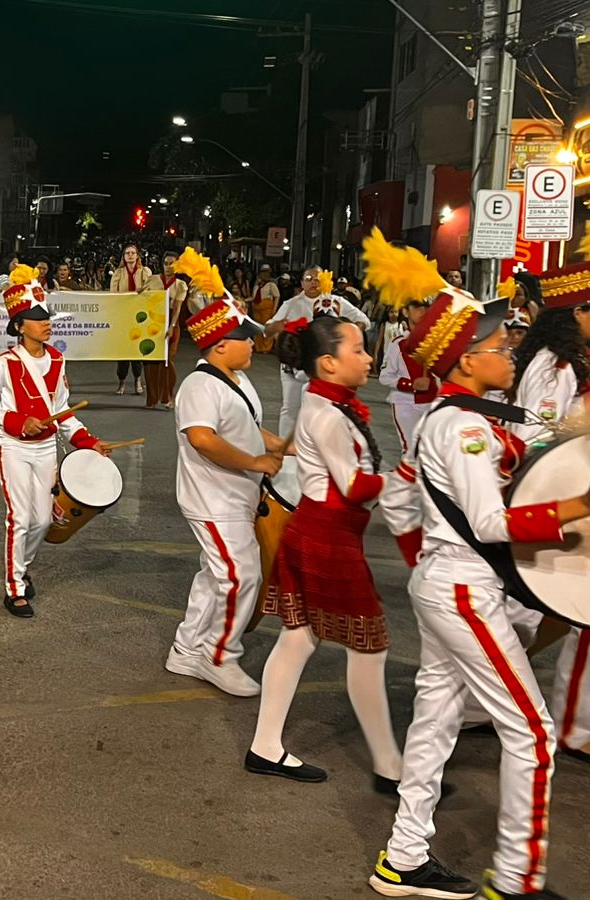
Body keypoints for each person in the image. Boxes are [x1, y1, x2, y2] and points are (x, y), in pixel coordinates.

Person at [365, 252, 590, 900]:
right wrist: (585, 504)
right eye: (493, 343)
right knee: (535, 735)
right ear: (463, 363)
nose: (508, 345)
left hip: (444, 582)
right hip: (462, 588)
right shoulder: (464, 430)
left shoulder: (458, 419)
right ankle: (516, 880)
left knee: (434, 720)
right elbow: (489, 520)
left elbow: (403, 502)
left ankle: (402, 860)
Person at [248, 316, 402, 791]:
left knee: (298, 640)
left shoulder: (325, 401)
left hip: (319, 531)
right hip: (328, 537)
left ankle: (265, 746)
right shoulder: (328, 412)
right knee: (368, 648)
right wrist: (408, 479)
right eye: (358, 349)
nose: (370, 357)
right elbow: (353, 485)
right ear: (329, 363)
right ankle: (389, 768)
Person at [510, 212, 590, 770]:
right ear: (576, 312)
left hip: (564, 502)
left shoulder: (572, 363)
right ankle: (558, 724)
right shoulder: (555, 366)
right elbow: (527, 437)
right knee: (525, 617)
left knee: (560, 617)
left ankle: (558, 720)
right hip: (548, 504)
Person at [0, 264, 112, 617]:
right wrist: (19, 421)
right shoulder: (5, 363)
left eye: (46, 315)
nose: (46, 322)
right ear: (19, 327)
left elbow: (62, 410)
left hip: (46, 450)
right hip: (15, 449)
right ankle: (15, 586)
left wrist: (88, 441)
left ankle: (23, 564)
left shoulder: (57, 359)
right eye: (37, 318)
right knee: (20, 518)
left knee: (42, 521)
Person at [167, 295, 285, 695]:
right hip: (213, 499)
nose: (253, 344)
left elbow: (247, 426)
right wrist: (255, 462)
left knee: (215, 575)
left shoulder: (238, 380)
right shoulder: (199, 385)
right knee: (241, 575)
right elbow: (202, 438)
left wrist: (279, 445)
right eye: (245, 338)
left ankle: (185, 649)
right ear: (220, 344)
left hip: (234, 496)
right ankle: (219, 656)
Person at [264, 266, 371, 436]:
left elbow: (364, 321)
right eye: (309, 279)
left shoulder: (336, 302)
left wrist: (349, 334)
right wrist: (276, 327)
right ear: (301, 283)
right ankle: (286, 451)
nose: (314, 282)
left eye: (318, 279)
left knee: (322, 410)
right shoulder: (291, 304)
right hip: (294, 366)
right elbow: (267, 330)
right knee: (290, 409)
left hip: (324, 367)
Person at [378, 298, 437, 451]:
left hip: (436, 404)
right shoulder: (398, 344)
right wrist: (411, 384)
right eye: (417, 306)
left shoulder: (440, 341)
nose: (423, 310)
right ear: (405, 311)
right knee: (411, 452)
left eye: (426, 306)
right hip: (406, 404)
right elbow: (385, 377)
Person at [143, 250, 187, 408]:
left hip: (171, 324)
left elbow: (177, 309)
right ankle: (152, 399)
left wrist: (171, 327)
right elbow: (140, 297)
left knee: (168, 362)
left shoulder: (180, 285)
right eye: (166, 263)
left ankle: (168, 398)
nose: (169, 267)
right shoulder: (152, 280)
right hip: (152, 323)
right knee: (150, 362)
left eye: (172, 264)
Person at [110, 243, 149, 395]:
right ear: (124, 256)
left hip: (140, 317)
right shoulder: (118, 273)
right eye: (128, 253)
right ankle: (121, 382)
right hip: (123, 316)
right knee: (123, 352)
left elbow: (150, 291)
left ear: (137, 255)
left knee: (137, 352)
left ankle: (138, 379)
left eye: (133, 253)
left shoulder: (144, 272)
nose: (130, 255)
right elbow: (113, 294)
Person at [250, 264, 281, 354]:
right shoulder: (257, 285)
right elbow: (254, 297)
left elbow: (277, 296)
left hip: (267, 310)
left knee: (267, 329)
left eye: (266, 273)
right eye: (262, 273)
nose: (264, 275)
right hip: (257, 309)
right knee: (257, 329)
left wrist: (274, 309)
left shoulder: (271, 284)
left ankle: (266, 348)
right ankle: (258, 347)